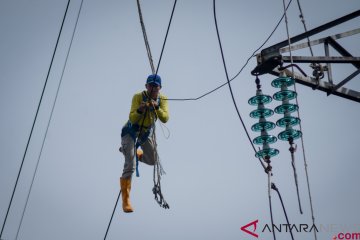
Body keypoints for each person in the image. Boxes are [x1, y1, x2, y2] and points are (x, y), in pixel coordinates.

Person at [119, 74, 169, 213]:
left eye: (156, 87)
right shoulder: (138, 97)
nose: (153, 89)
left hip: (144, 134)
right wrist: (141, 110)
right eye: (150, 86)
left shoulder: (162, 99)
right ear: (146, 86)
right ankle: (126, 201)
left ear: (160, 88)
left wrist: (156, 108)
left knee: (153, 160)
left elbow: (165, 118)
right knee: (130, 165)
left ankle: (133, 152)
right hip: (130, 131)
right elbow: (132, 118)